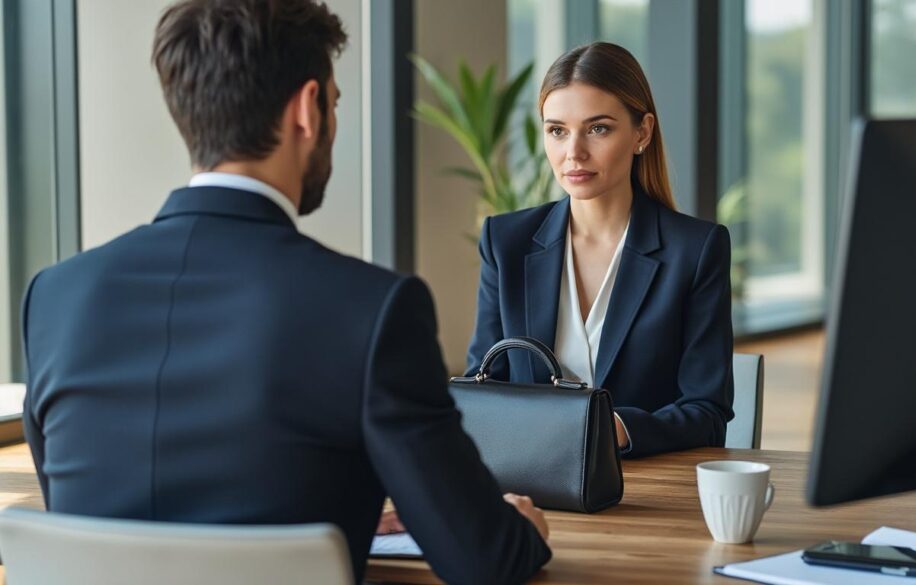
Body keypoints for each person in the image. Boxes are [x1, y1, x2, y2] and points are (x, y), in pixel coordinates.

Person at [20, 1, 550, 583]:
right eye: (336, 104)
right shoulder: (373, 310)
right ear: (307, 109)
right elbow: (482, 561)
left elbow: (86, 521)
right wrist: (524, 530)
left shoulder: (55, 297)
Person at [466, 42, 734, 458]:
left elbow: (708, 412)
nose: (573, 152)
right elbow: (480, 387)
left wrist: (618, 429)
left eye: (598, 128)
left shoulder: (695, 251)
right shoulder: (506, 242)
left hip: (645, 493)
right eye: (557, 130)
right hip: (531, 484)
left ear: (641, 133)